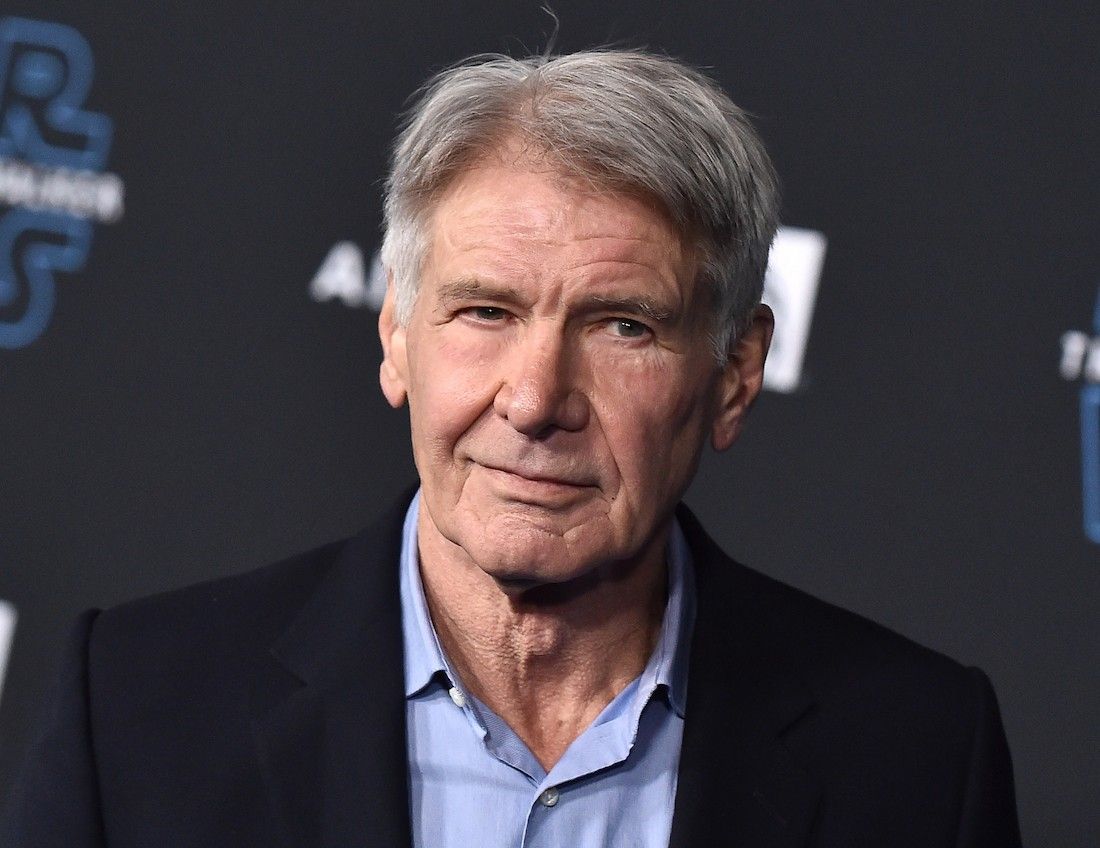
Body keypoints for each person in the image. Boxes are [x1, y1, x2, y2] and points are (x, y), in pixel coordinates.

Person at [1, 49, 1020, 847]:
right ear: (396, 334)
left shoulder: (918, 759)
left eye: (622, 325)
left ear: (735, 373)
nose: (534, 401)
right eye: (485, 310)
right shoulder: (138, 707)